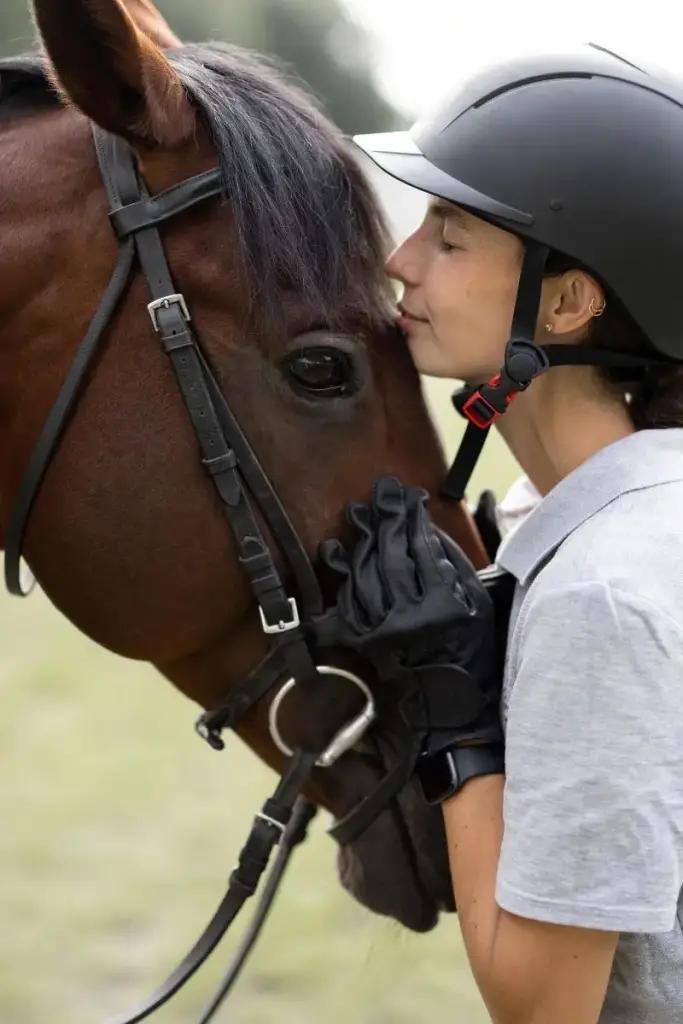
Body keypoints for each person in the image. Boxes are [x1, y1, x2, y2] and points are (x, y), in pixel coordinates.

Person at [323, 43, 683, 1024]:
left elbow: (541, 1006)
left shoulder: (600, 593)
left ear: (565, 304)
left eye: (447, 235)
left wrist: (455, 721)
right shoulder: (590, 517)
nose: (398, 262)